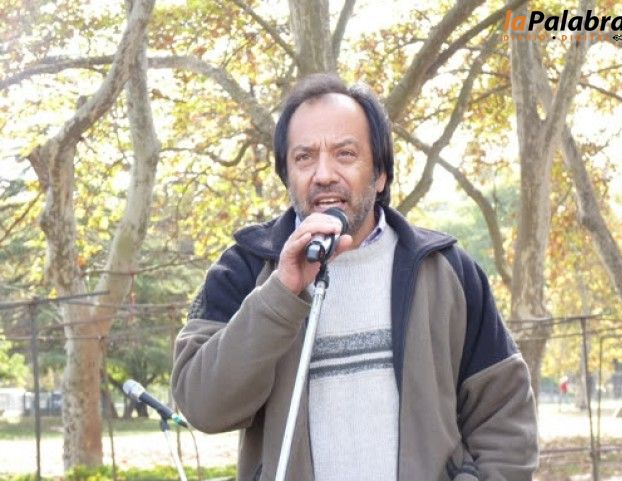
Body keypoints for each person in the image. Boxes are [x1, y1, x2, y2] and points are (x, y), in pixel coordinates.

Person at [171, 74, 539, 481]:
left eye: (345, 154)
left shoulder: (447, 271)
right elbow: (204, 407)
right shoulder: (244, 269)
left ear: (380, 174)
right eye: (304, 157)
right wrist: (281, 293)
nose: (323, 174)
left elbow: (505, 416)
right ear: (287, 175)